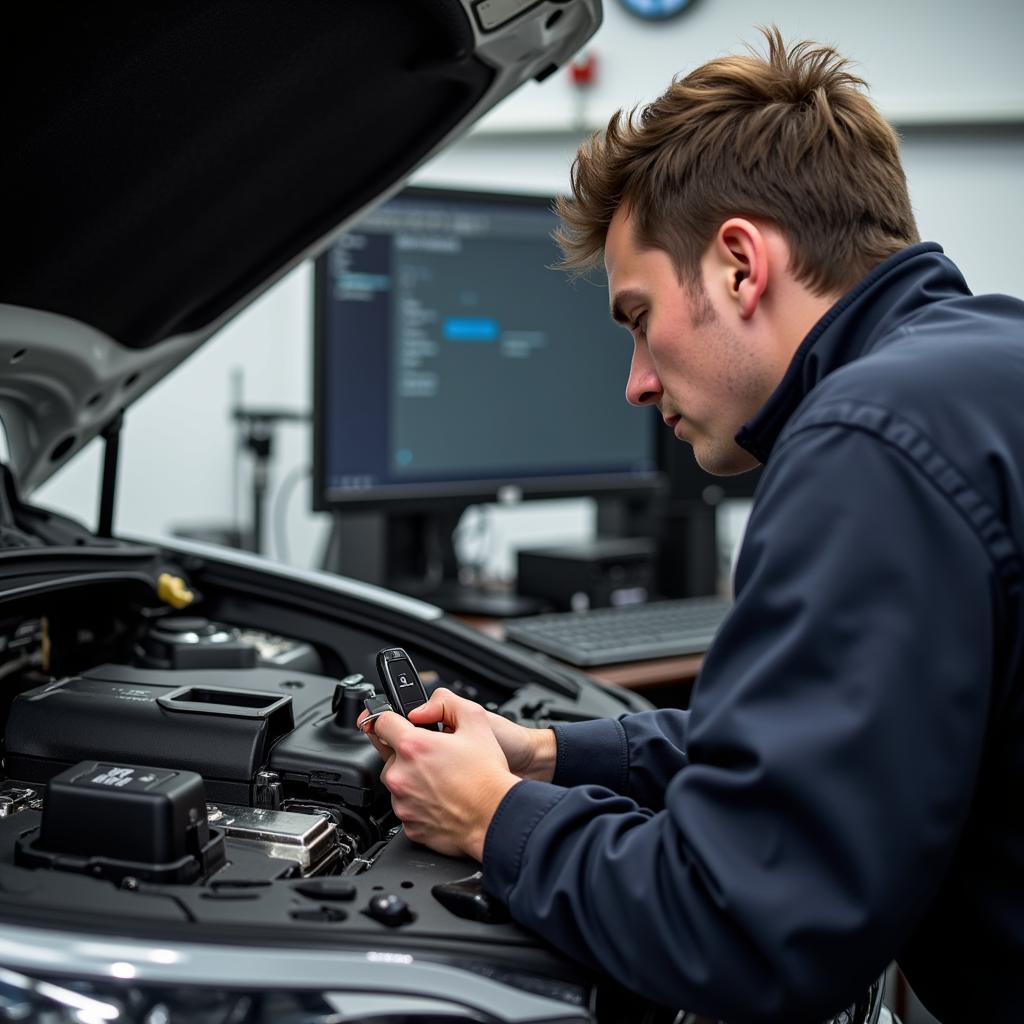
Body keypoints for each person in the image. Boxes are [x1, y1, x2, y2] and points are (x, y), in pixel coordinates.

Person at [358, 28, 1024, 1024]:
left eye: (635, 316)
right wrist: (543, 750)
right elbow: (812, 750)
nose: (634, 381)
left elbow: (742, 924)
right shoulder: (981, 362)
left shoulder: (864, 442)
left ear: (740, 266)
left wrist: (495, 815)